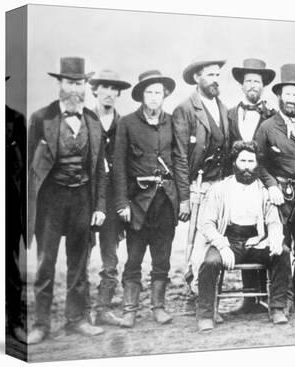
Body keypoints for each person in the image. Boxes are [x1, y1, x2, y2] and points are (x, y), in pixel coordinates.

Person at [27, 57, 107, 344]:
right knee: (46, 263)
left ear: (86, 86)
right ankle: (40, 324)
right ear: (59, 84)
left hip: (83, 200)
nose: (76, 89)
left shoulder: (93, 120)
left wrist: (99, 206)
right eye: (70, 82)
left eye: (80, 83)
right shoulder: (41, 118)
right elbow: (29, 169)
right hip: (51, 201)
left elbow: (99, 167)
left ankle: (76, 320)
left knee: (79, 263)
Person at [195, 141, 292, 331]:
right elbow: (206, 223)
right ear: (234, 162)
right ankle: (206, 315)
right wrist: (222, 247)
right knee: (210, 263)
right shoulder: (220, 189)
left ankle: (278, 308)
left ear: (257, 164)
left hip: (256, 241)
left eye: (251, 161)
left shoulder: (263, 191)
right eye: (243, 161)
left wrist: (274, 239)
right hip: (228, 239)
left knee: (283, 253)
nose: (247, 166)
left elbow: (273, 221)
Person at [112, 70, 180, 328]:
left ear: (165, 95)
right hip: (137, 204)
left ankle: (158, 307)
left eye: (158, 92)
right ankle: (129, 309)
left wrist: (180, 200)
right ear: (141, 96)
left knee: (162, 257)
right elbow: (119, 167)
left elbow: (179, 161)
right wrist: (121, 204)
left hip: (165, 202)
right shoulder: (127, 123)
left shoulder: (173, 122)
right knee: (134, 258)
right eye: (149, 92)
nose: (153, 97)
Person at [254, 64, 295, 312]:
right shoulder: (267, 126)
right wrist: (271, 185)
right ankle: (286, 297)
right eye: (287, 94)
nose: (291, 99)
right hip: (279, 197)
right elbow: (257, 162)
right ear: (279, 97)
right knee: (281, 249)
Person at [172, 58, 231, 306]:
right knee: (197, 241)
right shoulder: (185, 109)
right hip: (197, 186)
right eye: (210, 75)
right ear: (197, 78)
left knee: (216, 238)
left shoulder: (223, 108)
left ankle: (209, 289)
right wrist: (184, 198)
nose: (215, 80)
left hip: (219, 186)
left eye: (218, 75)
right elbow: (180, 156)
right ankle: (196, 289)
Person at [227, 58, 276, 315]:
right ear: (241, 85)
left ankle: (267, 297)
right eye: (248, 81)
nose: (253, 85)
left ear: (264, 85)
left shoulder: (273, 117)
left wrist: (271, 185)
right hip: (237, 184)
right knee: (241, 233)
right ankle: (249, 299)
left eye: (257, 81)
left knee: (264, 234)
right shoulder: (230, 114)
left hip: (263, 184)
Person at [89, 69, 132, 326]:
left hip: (114, 198)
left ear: (118, 93)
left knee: (110, 257)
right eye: (103, 87)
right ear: (94, 90)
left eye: (113, 88)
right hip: (85, 197)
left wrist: (121, 201)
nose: (108, 93)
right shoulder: (84, 120)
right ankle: (78, 313)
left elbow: (124, 165)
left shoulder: (122, 124)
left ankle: (103, 308)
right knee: (80, 255)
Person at [6, 76, 27, 343]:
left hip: (7, 205)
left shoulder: (15, 120)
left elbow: (23, 171)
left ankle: (15, 322)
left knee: (9, 267)